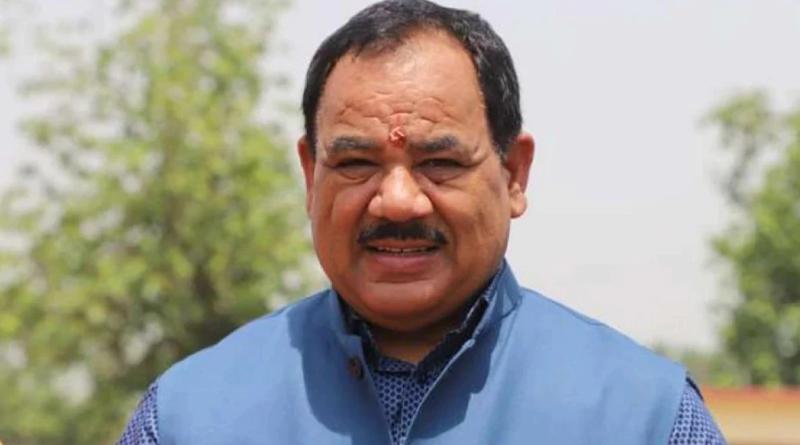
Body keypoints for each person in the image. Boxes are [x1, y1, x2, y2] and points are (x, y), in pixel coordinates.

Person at [117, 1, 726, 444]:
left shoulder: (645, 417)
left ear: (514, 173)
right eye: (357, 164)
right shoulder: (188, 419)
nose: (398, 201)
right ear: (310, 175)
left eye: (439, 163)